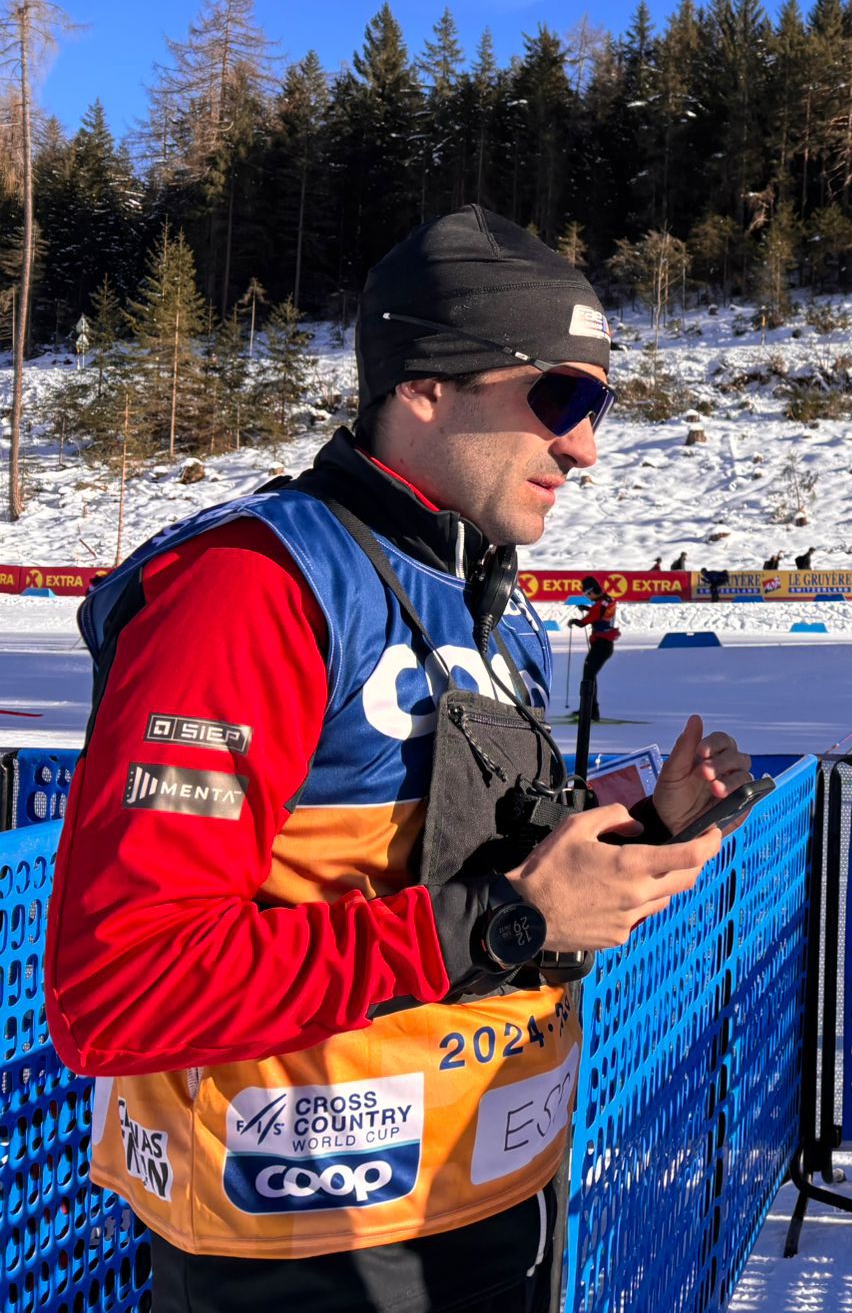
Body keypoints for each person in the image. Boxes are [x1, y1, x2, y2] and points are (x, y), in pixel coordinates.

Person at [46, 207, 755, 1313]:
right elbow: (119, 987)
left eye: (598, 405)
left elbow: (463, 859)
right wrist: (507, 921)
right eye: (560, 398)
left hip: (489, 1197)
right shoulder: (257, 587)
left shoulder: (486, 598)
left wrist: (641, 830)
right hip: (308, 1250)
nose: (586, 446)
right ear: (425, 381)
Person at [570, 574, 620, 720]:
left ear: (592, 591)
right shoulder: (607, 600)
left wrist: (574, 621)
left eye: (587, 594)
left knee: (588, 676)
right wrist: (587, 608)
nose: (587, 597)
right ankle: (590, 710)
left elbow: (584, 622)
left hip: (601, 645)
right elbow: (600, 613)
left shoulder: (598, 605)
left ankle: (590, 711)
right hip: (605, 645)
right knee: (590, 675)